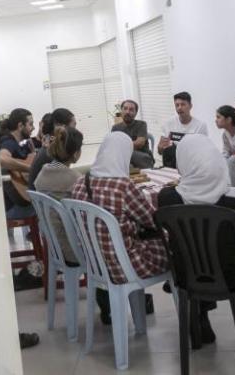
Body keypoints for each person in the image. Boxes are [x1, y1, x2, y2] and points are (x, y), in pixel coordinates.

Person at [155, 135, 235, 354]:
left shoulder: (168, 198)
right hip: (234, 278)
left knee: (194, 251)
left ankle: (200, 322)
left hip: (188, 278)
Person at [71, 132, 166, 324]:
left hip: (95, 263)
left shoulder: (80, 182)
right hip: (125, 265)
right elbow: (151, 220)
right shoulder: (123, 187)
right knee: (172, 244)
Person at [35, 126, 84, 263]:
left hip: (54, 246)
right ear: (75, 153)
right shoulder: (74, 179)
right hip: (73, 250)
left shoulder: (43, 172)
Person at [0, 108, 36, 219]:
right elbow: (2, 159)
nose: (33, 128)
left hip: (15, 204)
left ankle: (32, 235)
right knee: (48, 208)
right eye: (30, 124)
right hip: (12, 208)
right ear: (20, 126)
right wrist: (29, 168)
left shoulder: (19, 145)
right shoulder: (9, 142)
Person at [27, 108, 75, 189]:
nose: (75, 130)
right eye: (74, 125)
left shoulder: (48, 144)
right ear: (63, 127)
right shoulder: (52, 149)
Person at [157, 91, 208, 167]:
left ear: (190, 106)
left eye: (183, 104)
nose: (179, 108)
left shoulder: (200, 125)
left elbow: (202, 151)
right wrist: (161, 147)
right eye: (177, 105)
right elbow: (160, 151)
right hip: (172, 162)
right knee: (171, 150)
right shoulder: (168, 123)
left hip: (191, 162)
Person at [111, 99, 154, 169]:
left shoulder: (141, 124)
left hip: (142, 159)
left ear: (135, 113)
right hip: (125, 160)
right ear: (121, 111)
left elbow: (139, 143)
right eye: (125, 109)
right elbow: (113, 147)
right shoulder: (115, 128)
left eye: (131, 110)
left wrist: (120, 146)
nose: (127, 112)